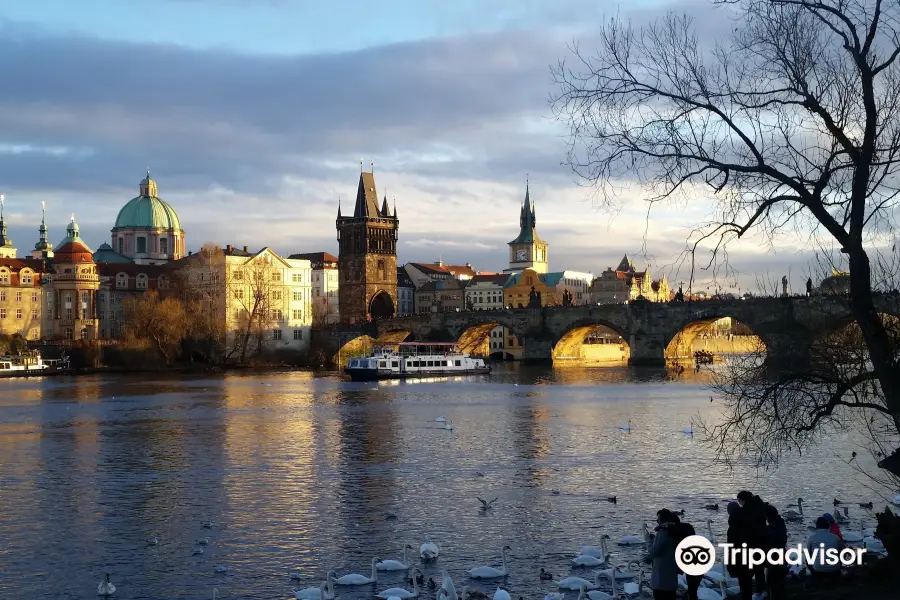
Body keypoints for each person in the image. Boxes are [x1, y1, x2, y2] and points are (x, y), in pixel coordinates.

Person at [737, 491, 768, 599]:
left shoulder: (746, 511)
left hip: (751, 542)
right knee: (759, 567)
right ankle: (762, 590)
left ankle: (753, 592)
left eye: (739, 501)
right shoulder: (759, 507)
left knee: (749, 570)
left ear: (743, 500)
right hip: (761, 542)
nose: (739, 503)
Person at [646, 509, 679, 600]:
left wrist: (648, 541)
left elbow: (654, 552)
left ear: (662, 520)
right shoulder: (674, 532)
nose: (657, 522)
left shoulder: (663, 533)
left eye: (658, 520)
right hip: (671, 579)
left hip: (661, 581)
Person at [764, 504, 787, 600]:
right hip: (782, 557)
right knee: (780, 583)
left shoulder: (770, 530)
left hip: (773, 559)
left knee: (772, 583)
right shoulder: (781, 525)